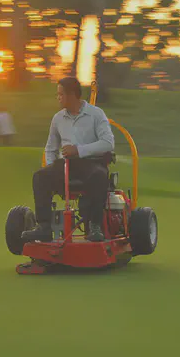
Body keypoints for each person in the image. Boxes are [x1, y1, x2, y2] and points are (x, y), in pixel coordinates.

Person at [22, 77, 115, 243]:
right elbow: (51, 148)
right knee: (40, 176)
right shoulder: (58, 118)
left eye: (60, 94)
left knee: (99, 176)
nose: (58, 97)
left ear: (72, 95)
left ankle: (95, 226)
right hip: (66, 165)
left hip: (92, 163)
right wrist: (51, 169)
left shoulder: (96, 114)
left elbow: (108, 143)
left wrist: (78, 150)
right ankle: (44, 227)